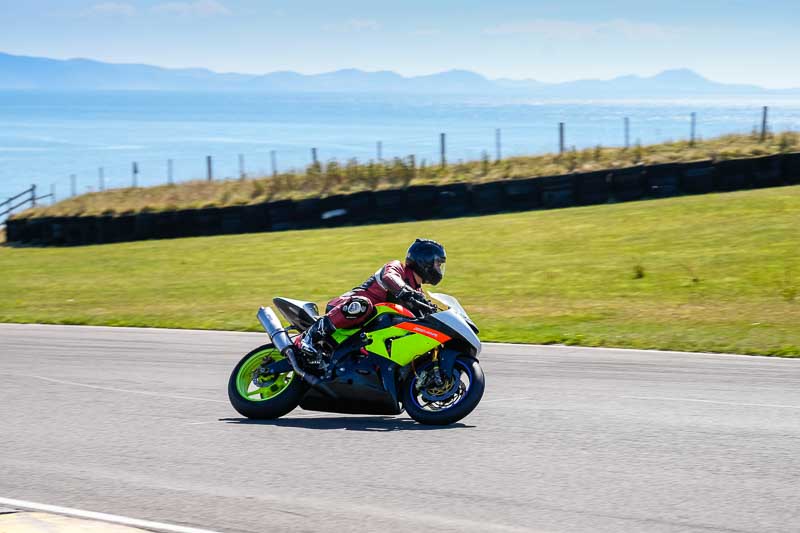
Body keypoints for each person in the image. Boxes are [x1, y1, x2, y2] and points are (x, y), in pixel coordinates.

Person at [299, 238, 446, 361]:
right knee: (363, 304)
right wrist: (406, 292)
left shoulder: (417, 292)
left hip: (367, 329)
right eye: (438, 264)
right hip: (346, 307)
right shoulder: (397, 268)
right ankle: (310, 336)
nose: (439, 269)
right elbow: (389, 277)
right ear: (425, 261)